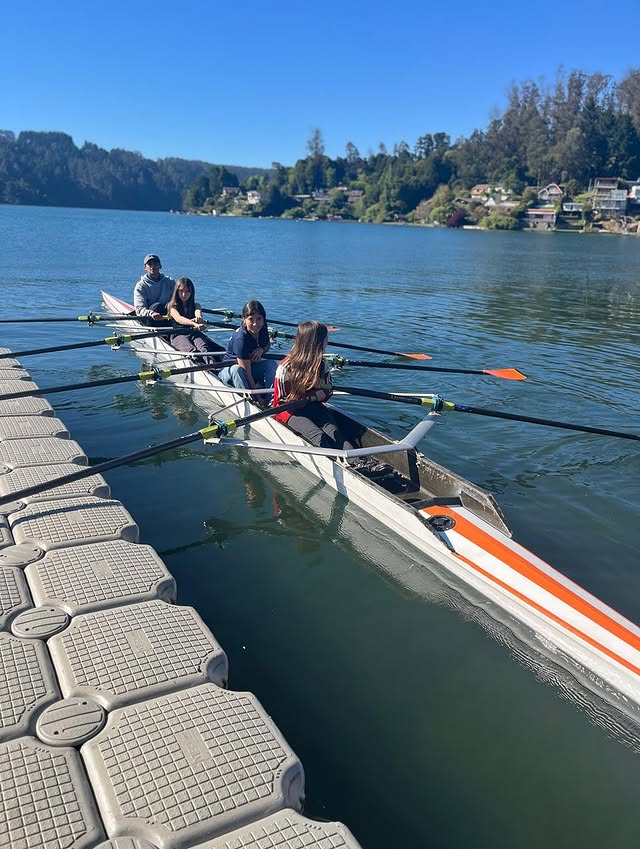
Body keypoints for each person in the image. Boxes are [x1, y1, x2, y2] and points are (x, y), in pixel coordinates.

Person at [272, 320, 355, 450]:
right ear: (315, 343)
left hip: (314, 406)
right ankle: (335, 461)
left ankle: (359, 462)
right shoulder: (285, 368)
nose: (327, 342)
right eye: (325, 339)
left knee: (336, 434)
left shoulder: (322, 365)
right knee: (319, 437)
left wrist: (317, 395)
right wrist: (313, 395)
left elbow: (328, 392)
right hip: (289, 412)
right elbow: (281, 402)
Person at [219, 300, 278, 399]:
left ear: (263, 319)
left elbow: (267, 344)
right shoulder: (240, 339)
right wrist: (258, 398)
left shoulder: (263, 328)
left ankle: (271, 399)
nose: (255, 324)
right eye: (251, 319)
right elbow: (247, 373)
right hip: (229, 371)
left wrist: (261, 350)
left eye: (259, 319)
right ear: (244, 320)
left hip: (250, 366)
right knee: (237, 369)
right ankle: (249, 399)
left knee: (271, 364)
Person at [166, 277, 221, 364]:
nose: (184, 294)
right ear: (176, 292)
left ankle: (212, 367)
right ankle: (199, 366)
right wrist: (193, 323)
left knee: (204, 348)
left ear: (192, 293)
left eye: (187, 291)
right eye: (181, 291)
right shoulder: (172, 306)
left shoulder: (196, 305)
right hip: (178, 334)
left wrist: (198, 319)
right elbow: (179, 319)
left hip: (194, 333)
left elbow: (198, 313)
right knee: (191, 351)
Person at [133, 254, 175, 325]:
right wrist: (151, 313)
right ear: (145, 267)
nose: (152, 267)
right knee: (157, 306)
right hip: (150, 319)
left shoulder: (170, 282)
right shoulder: (140, 286)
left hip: (167, 317)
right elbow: (139, 309)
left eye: (155, 264)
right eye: (149, 264)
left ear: (160, 266)